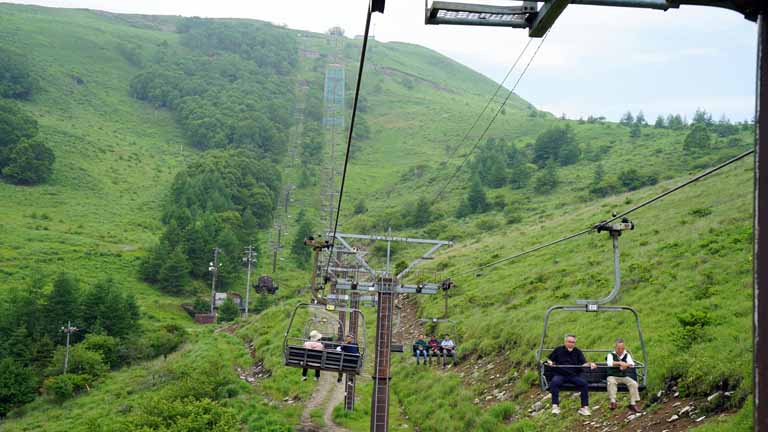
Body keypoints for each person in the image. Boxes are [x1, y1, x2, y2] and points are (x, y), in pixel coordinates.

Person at [546, 333, 597, 416]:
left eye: (573, 342)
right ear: (565, 342)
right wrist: (550, 362)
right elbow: (550, 360)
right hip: (560, 375)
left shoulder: (577, 352)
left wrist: (590, 364)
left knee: (584, 383)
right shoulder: (558, 350)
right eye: (569, 342)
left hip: (573, 376)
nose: (571, 344)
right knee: (554, 382)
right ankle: (555, 406)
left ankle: (584, 407)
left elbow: (583, 363)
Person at [606, 338, 641, 412]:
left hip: (623, 376)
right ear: (615, 348)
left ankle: (633, 403)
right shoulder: (611, 354)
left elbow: (632, 364)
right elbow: (610, 363)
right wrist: (620, 363)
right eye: (618, 348)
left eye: (622, 348)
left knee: (633, 383)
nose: (620, 350)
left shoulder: (626, 354)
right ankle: (613, 401)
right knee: (611, 382)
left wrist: (625, 365)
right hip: (612, 376)